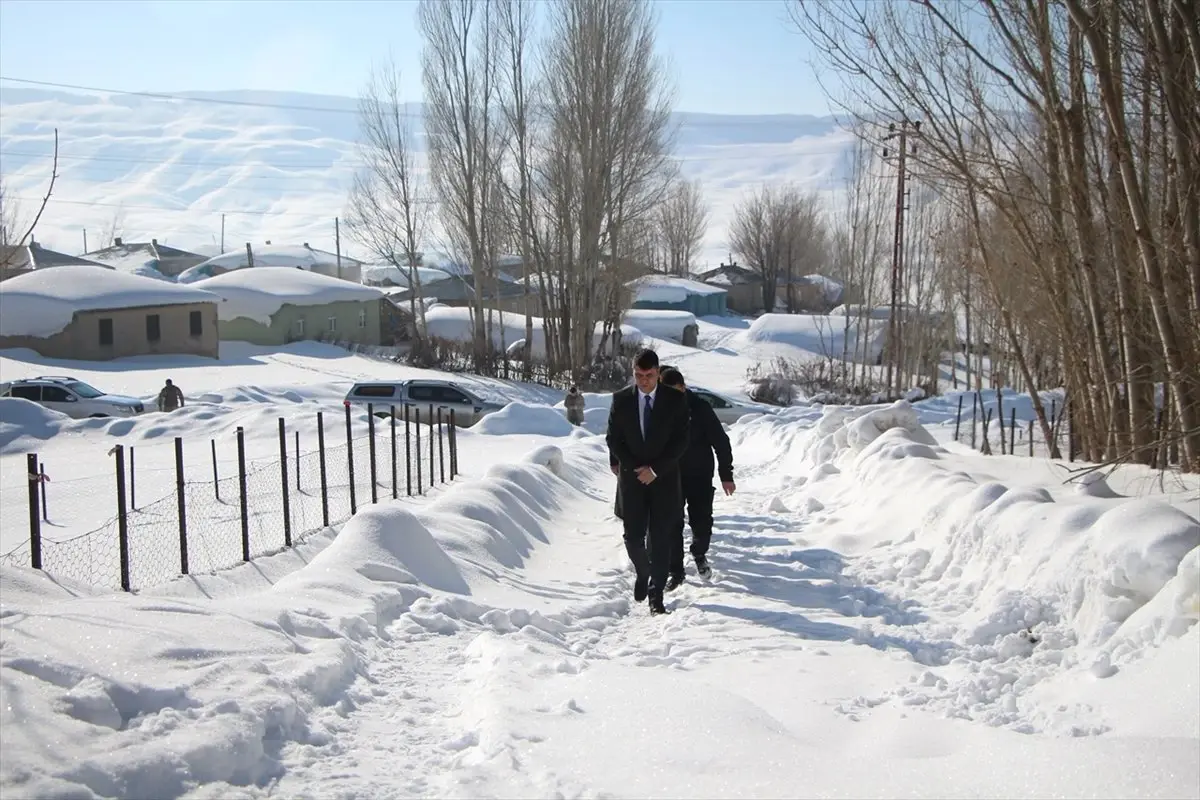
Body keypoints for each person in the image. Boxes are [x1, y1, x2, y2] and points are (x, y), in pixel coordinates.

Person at [605, 348, 689, 615]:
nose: (643, 380)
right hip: (632, 481)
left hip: (663, 479)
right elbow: (613, 439)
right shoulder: (621, 401)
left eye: (649, 375)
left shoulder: (674, 400)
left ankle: (656, 597)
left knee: (661, 539)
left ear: (657, 373)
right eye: (638, 375)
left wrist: (655, 469)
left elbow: (680, 442)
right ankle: (643, 573)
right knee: (633, 538)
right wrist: (635, 467)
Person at [658, 368, 734, 586]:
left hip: (700, 475)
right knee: (672, 524)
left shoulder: (700, 408)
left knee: (702, 522)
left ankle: (699, 554)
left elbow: (721, 442)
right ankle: (676, 571)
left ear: (682, 388)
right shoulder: (659, 410)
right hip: (670, 476)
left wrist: (726, 474)